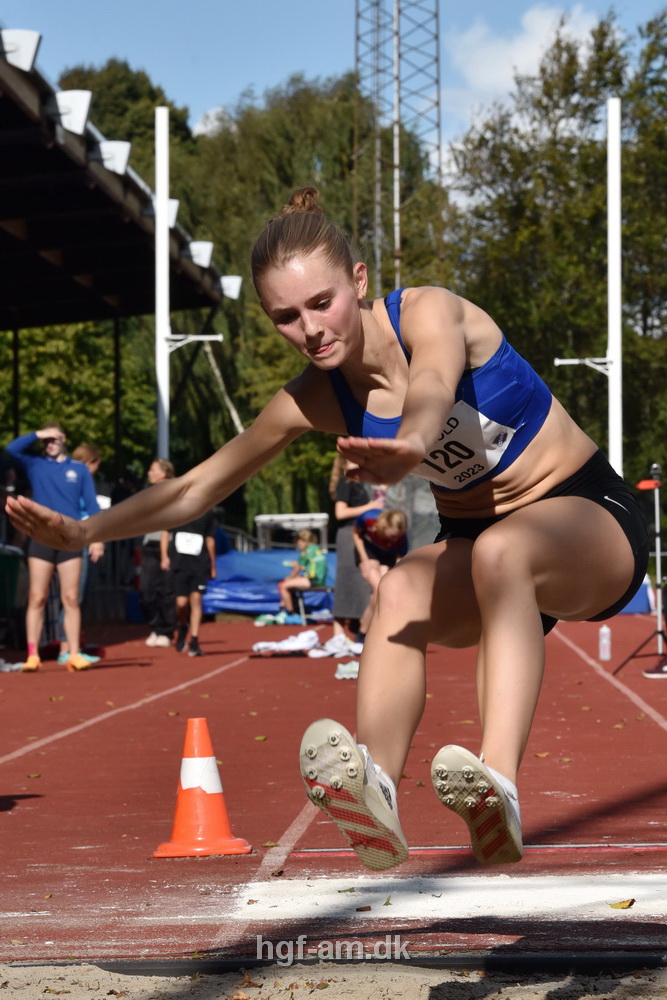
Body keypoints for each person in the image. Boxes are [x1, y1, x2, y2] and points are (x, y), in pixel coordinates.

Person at [6, 186, 649, 871]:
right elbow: (198, 486)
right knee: (398, 591)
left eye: (322, 303)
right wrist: (85, 531)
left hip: (588, 523)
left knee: (500, 550)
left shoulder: (429, 311)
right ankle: (374, 784)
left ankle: (498, 788)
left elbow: (431, 383)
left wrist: (410, 443)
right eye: (285, 317)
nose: (309, 329)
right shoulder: (315, 397)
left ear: (360, 281)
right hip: (479, 547)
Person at [6, 424, 104, 672]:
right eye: (45, 441)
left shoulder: (79, 469)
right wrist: (39, 434)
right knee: (37, 597)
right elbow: (11, 449)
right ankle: (33, 655)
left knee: (70, 598)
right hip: (41, 538)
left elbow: (92, 506)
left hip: (69, 538)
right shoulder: (35, 464)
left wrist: (97, 538)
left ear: (63, 439)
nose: (49, 444)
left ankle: (73, 653)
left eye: (54, 439)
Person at [56, 443, 106, 664]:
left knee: (71, 596)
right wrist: (96, 539)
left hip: (73, 537)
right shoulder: (79, 476)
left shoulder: (71, 475)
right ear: (89, 463)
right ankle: (66, 648)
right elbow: (91, 508)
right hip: (77, 539)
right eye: (95, 466)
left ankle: (67, 647)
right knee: (73, 595)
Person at [325, 456, 377, 652]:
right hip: (348, 534)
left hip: (362, 534)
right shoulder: (345, 482)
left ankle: (359, 631)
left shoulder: (363, 483)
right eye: (352, 458)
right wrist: (370, 507)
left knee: (363, 583)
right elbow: (340, 513)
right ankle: (338, 635)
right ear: (344, 463)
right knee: (346, 581)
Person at [162, 509, 217, 657]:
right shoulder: (177, 512)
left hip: (199, 565)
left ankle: (194, 640)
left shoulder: (207, 513)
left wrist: (212, 566)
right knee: (181, 604)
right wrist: (164, 557)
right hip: (180, 565)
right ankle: (182, 626)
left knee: (196, 600)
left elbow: (210, 539)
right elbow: (166, 533)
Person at [352, 507, 408, 639]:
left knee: (381, 592)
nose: (395, 539)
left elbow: (399, 559)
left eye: (398, 536)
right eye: (393, 536)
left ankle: (362, 629)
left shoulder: (402, 539)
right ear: (385, 526)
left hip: (387, 555)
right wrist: (364, 560)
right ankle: (373, 631)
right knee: (378, 588)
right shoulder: (368, 518)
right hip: (369, 551)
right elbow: (355, 533)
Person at [140, 459, 177, 648]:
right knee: (147, 589)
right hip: (149, 545)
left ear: (164, 472)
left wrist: (165, 554)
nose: (149, 473)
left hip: (167, 545)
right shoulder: (148, 493)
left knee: (165, 590)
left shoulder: (172, 491)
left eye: (153, 470)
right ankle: (154, 627)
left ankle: (166, 630)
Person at [276, 529, 327, 617]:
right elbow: (309, 565)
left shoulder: (306, 551)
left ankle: (290, 613)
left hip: (313, 580)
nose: (297, 544)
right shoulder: (316, 549)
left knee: (283, 585)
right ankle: (290, 609)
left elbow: (298, 568)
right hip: (319, 580)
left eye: (297, 541)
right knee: (289, 585)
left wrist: (289, 578)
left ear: (303, 541)